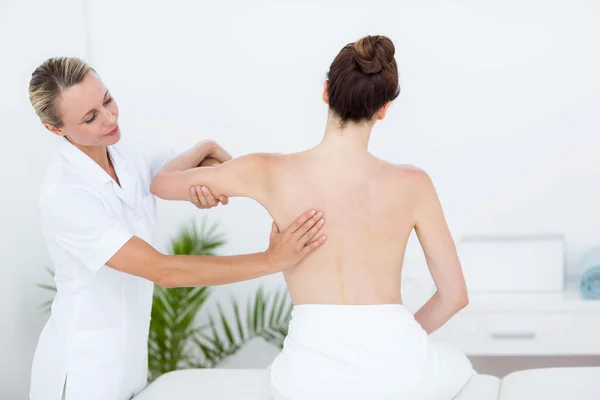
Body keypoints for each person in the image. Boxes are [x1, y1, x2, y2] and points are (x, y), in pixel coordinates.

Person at [150, 35, 476, 399]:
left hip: (307, 380)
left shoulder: (267, 171)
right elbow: (455, 296)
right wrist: (391, 344)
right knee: (455, 363)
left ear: (326, 92)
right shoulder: (414, 184)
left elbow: (161, 183)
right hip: (402, 372)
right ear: (383, 109)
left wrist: (206, 147)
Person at [27, 57, 328, 400]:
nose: (110, 119)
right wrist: (272, 259)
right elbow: (164, 270)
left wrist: (209, 155)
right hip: (81, 372)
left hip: (128, 365)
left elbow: (190, 171)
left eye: (107, 100)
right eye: (90, 117)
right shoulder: (65, 195)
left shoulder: (129, 151)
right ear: (56, 129)